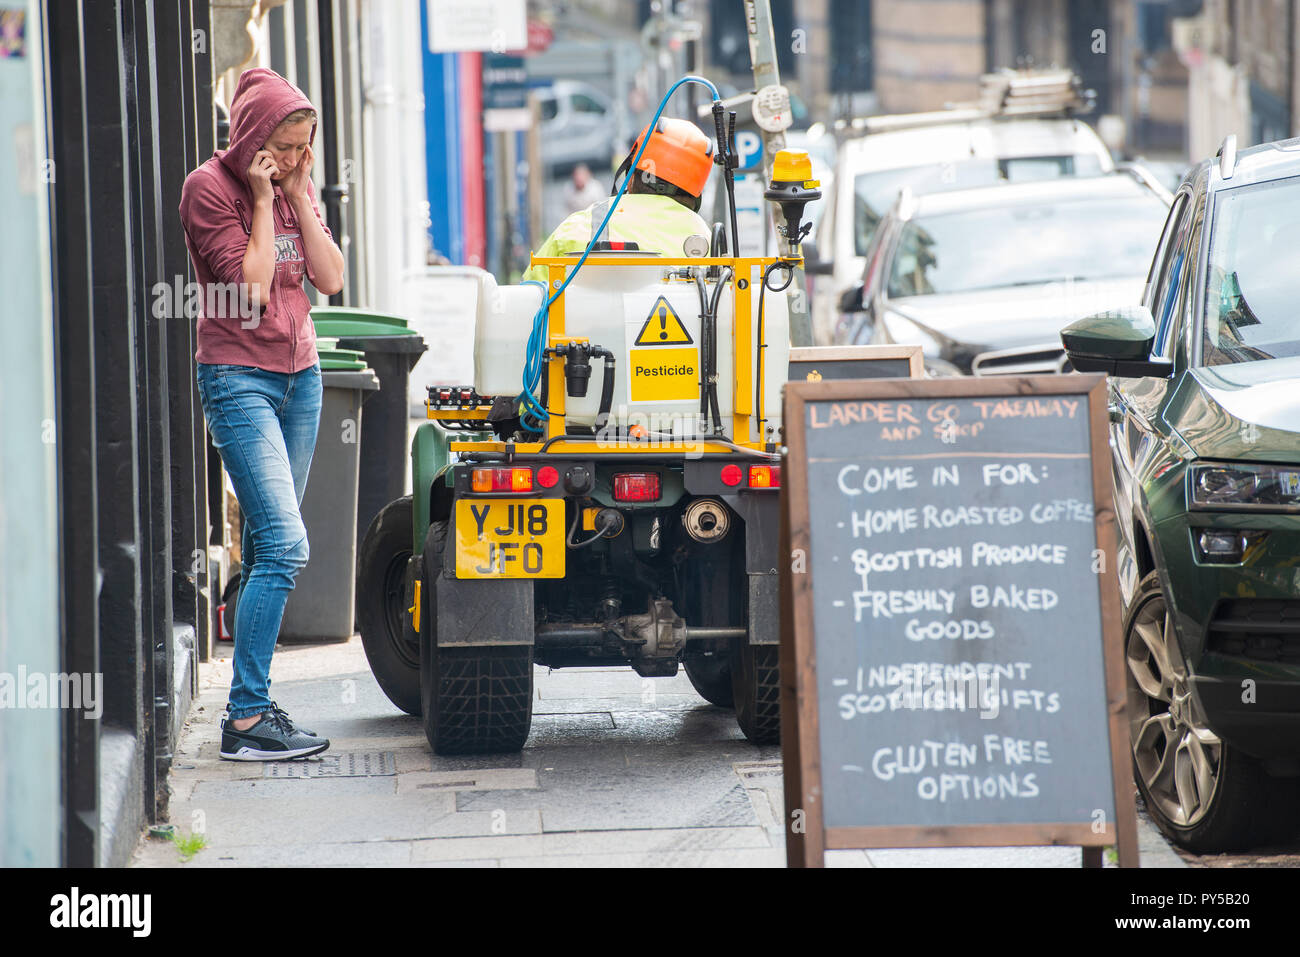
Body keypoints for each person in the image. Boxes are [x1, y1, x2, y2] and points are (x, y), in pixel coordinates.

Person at [180, 67, 344, 760]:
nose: (299, 160)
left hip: (300, 379)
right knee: (285, 545)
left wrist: (301, 197)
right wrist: (255, 196)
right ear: (254, 140)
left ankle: (253, 702)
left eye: (308, 147)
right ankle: (245, 718)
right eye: (288, 148)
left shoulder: (294, 189)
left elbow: (330, 279)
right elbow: (247, 294)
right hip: (237, 377)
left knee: (273, 549)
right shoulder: (208, 189)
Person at [524, 118, 714, 283]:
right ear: (695, 194)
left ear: (630, 176)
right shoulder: (707, 242)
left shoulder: (578, 226)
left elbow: (528, 298)